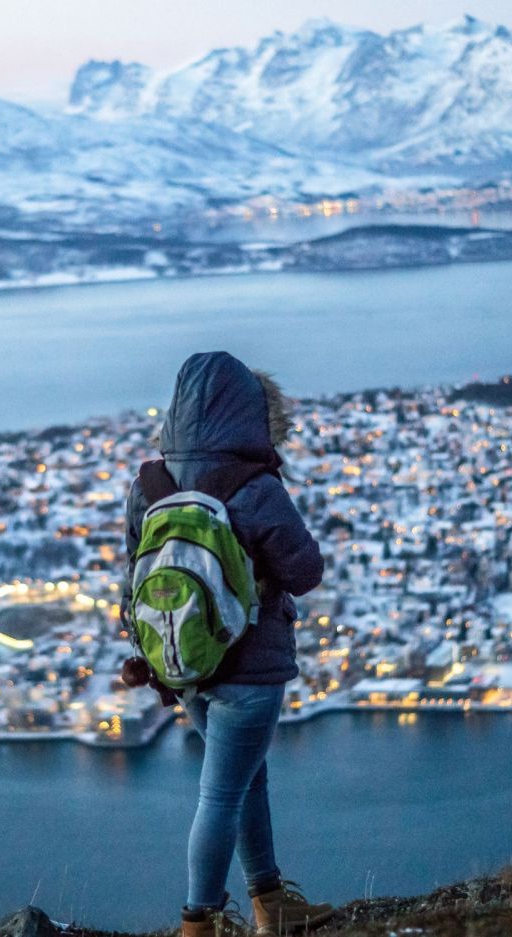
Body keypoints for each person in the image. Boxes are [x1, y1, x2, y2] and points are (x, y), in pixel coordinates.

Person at [121, 351, 335, 936]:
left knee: (245, 782)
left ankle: (271, 903)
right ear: (249, 413)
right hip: (251, 668)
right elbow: (305, 572)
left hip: (186, 664)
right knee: (220, 795)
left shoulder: (150, 485)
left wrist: (156, 654)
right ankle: (201, 922)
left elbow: (134, 579)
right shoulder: (254, 486)